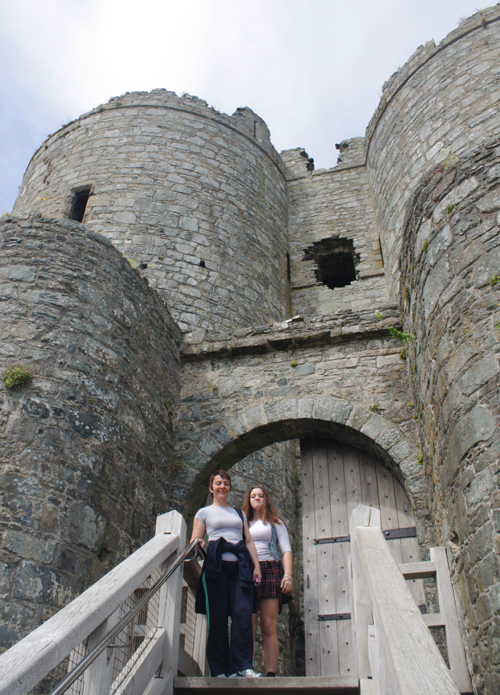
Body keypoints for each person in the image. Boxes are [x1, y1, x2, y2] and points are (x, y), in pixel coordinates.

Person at [191, 470, 262, 678]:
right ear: (211, 487)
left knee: (242, 615)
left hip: (240, 566)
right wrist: (198, 543)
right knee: (218, 617)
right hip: (216, 568)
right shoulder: (203, 512)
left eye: (226, 483)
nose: (223, 487)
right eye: (218, 483)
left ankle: (242, 666)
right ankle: (219, 669)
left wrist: (256, 566)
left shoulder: (238, 513)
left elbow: (248, 540)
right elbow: (195, 538)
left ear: (230, 487)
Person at [242, 486, 293, 677]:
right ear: (248, 500)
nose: (257, 498)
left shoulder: (275, 523)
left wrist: (287, 575)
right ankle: (247, 669)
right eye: (253, 496)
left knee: (268, 625)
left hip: (270, 570)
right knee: (249, 624)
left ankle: (270, 674)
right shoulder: (243, 522)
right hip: (248, 571)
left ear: (266, 499)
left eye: (260, 495)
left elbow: (286, 550)